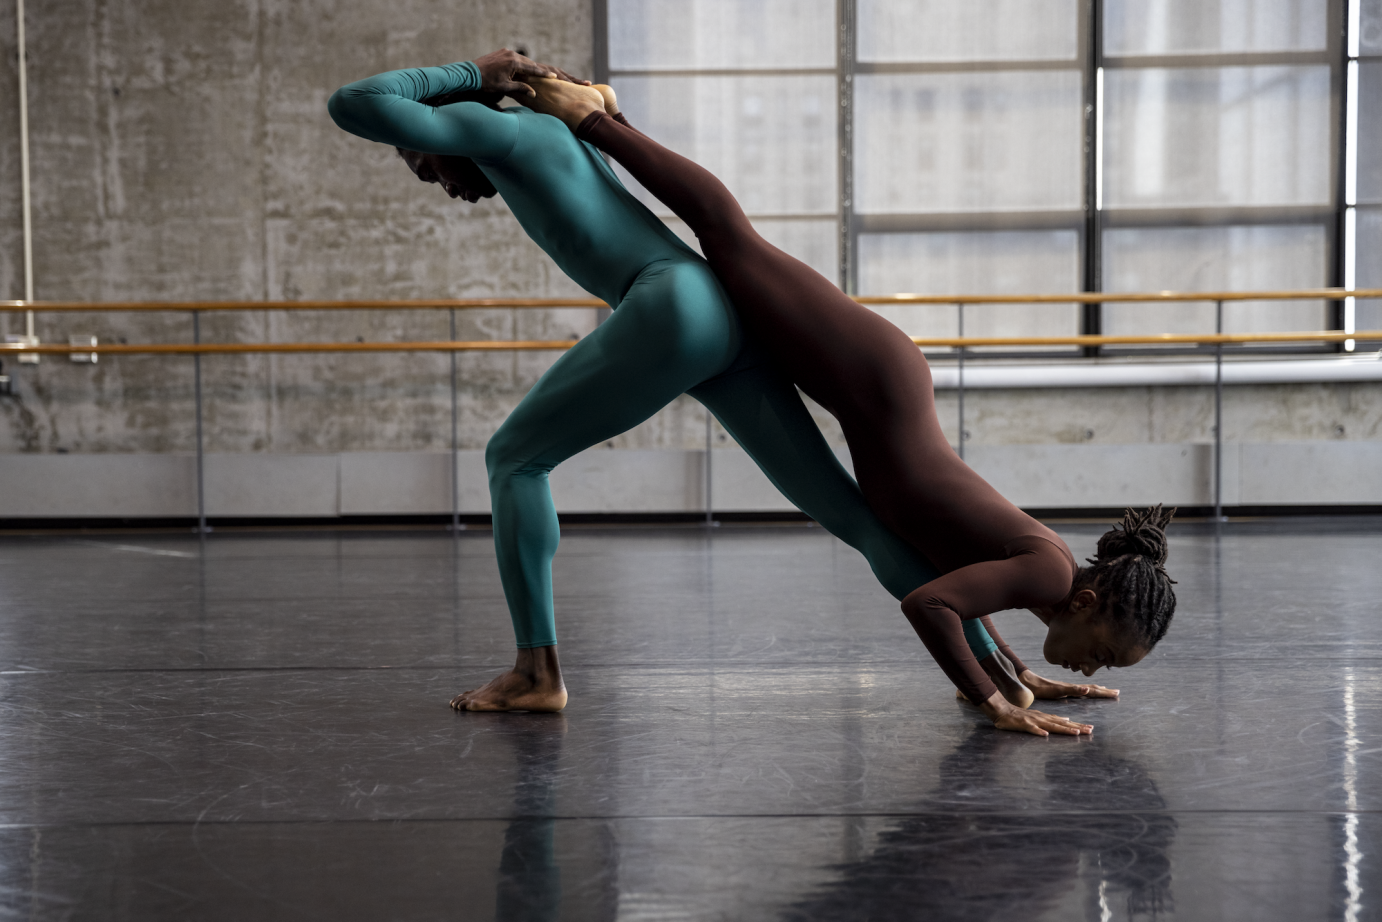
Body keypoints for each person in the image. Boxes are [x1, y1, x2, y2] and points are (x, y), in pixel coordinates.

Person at [328, 51, 1104, 727]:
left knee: (513, 461)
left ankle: (537, 672)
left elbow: (354, 104)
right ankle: (1000, 678)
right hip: (722, 323)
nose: (434, 176)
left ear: (440, 126)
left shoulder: (501, 127)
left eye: (421, 160)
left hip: (671, 305)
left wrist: (468, 73)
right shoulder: (560, 139)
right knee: (855, 520)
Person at [525, 78, 1178, 735]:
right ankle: (597, 121)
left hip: (881, 383)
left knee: (732, 246)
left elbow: (952, 589)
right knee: (730, 238)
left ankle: (609, 120)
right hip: (874, 376)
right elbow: (930, 604)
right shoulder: (1045, 574)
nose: (1094, 670)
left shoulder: (1046, 576)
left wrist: (1017, 677)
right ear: (1088, 604)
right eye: (1102, 654)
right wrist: (994, 703)